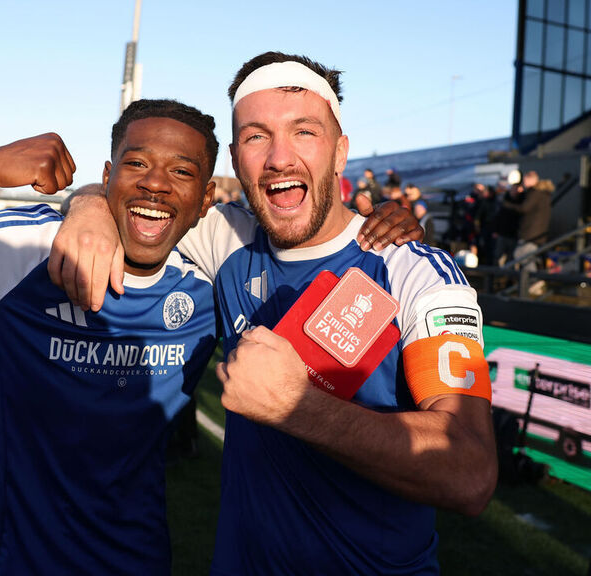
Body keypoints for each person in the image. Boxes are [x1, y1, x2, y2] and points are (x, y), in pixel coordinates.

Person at [0, 98, 417, 574]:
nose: (156, 184)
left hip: (138, 558)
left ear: (206, 197)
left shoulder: (213, 276)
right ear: (108, 176)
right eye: (136, 165)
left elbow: (315, 244)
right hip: (3, 560)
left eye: (182, 172)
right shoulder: (15, 248)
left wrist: (386, 223)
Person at [54, 52, 496, 575]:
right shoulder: (226, 235)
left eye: (304, 131)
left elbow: (469, 472)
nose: (279, 158)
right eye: (256, 135)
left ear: (339, 153)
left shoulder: (416, 272)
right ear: (237, 160)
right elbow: (139, 192)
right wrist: (88, 208)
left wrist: (296, 405)